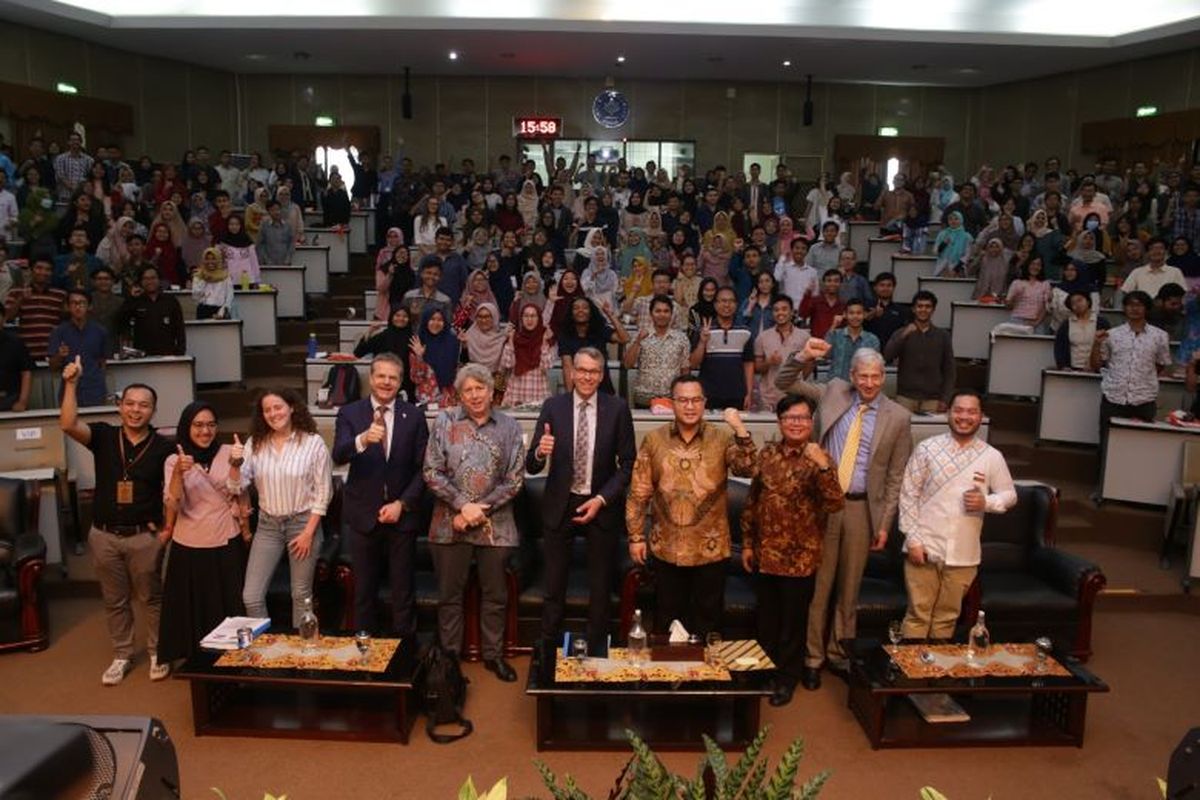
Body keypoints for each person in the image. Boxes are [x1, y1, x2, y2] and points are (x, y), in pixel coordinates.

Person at [775, 341, 912, 689]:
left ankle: (838, 654)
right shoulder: (834, 391)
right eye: (862, 375)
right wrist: (803, 356)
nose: (869, 383)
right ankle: (812, 658)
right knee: (818, 587)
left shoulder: (899, 417)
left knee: (849, 588)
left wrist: (884, 524)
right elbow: (784, 382)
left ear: (884, 378)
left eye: (876, 376)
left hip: (861, 509)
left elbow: (896, 476)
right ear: (851, 375)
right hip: (821, 506)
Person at [60, 361, 174, 685]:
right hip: (104, 535)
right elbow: (68, 424)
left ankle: (157, 651)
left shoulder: (164, 446)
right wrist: (71, 384)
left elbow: (175, 491)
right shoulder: (104, 436)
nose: (136, 410)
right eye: (130, 404)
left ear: (153, 411)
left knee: (151, 598)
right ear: (120, 406)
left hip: (144, 537)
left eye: (144, 405)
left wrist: (166, 530)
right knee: (114, 599)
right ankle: (122, 654)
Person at [625, 375, 757, 636]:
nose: (690, 406)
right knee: (667, 621)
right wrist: (636, 536)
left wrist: (740, 430)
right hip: (667, 549)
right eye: (683, 400)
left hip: (710, 550)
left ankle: (706, 678)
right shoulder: (654, 440)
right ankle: (672, 677)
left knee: (708, 622)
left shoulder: (721, 439)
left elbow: (749, 467)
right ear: (672, 403)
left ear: (704, 403)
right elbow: (639, 491)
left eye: (696, 400)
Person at [526, 346, 636, 652]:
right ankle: (549, 649)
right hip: (560, 504)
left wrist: (602, 499)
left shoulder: (617, 409)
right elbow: (531, 465)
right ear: (571, 372)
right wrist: (539, 452)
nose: (587, 376)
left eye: (594, 371)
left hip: (600, 503)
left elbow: (628, 464)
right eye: (582, 370)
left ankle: (597, 652)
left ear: (601, 376)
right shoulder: (553, 407)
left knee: (600, 587)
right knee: (554, 585)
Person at [740, 394, 844, 706]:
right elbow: (752, 502)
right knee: (767, 621)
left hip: (800, 559)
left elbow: (835, 503)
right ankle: (764, 673)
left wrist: (824, 466)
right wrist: (747, 543)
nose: (796, 423)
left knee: (793, 624)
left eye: (802, 418)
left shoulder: (820, 458)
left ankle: (787, 679)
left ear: (811, 423)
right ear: (780, 421)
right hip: (765, 554)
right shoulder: (768, 454)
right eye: (789, 418)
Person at [423, 364, 525, 681]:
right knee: (449, 597)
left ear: (491, 391)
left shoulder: (509, 426)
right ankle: (450, 659)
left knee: (495, 595)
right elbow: (431, 472)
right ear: (459, 394)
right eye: (468, 389)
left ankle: (493, 656)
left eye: (480, 388)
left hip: (496, 527)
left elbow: (515, 479)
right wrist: (462, 506)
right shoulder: (444, 421)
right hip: (448, 524)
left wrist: (478, 510)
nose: (475, 395)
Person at [898, 389, 1017, 640]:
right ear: (948, 413)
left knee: (947, 617)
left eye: (971, 411)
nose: (964, 417)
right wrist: (913, 540)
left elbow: (1009, 495)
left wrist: (987, 501)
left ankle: (936, 674)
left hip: (964, 554)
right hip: (924, 547)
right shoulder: (926, 449)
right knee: (918, 615)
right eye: (959, 410)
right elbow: (908, 495)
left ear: (981, 416)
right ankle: (909, 675)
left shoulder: (991, 456)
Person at [332, 353, 428, 637]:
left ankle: (404, 659)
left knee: (403, 592)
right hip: (363, 517)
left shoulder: (415, 416)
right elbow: (338, 455)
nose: (386, 382)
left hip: (402, 518)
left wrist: (402, 503)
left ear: (400, 382)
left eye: (393, 377)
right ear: (371, 378)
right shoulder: (350, 414)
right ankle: (367, 659)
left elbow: (425, 469)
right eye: (381, 376)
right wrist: (362, 440)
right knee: (363, 594)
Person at [158, 403, 247, 665]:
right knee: (194, 606)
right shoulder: (174, 459)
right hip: (189, 542)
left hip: (225, 538)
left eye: (210, 424)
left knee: (228, 604)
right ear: (187, 427)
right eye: (198, 425)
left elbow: (238, 489)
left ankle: (233, 658)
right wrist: (178, 473)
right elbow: (172, 503)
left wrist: (236, 464)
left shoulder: (231, 451)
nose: (205, 431)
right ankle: (197, 660)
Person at [238, 388, 333, 626]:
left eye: (278, 407)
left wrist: (308, 533)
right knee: (251, 596)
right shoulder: (255, 444)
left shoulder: (312, 443)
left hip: (303, 524)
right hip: (268, 525)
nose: (273, 413)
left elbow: (323, 492)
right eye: (267, 410)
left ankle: (299, 655)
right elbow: (236, 485)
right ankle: (263, 654)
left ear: (291, 408)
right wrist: (233, 463)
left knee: (301, 595)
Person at [1090, 291, 1171, 458]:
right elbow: (1097, 365)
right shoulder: (1112, 334)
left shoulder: (1160, 336)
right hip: (1114, 396)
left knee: (1140, 446)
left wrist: (1141, 376)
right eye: (1130, 304)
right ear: (1125, 308)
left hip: (1144, 398)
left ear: (1146, 308)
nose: (1135, 308)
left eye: (1139, 305)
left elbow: (1161, 364)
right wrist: (1096, 345)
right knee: (1107, 444)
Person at [883, 290, 955, 412]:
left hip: (933, 399)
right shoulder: (901, 332)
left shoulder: (943, 336)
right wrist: (904, 336)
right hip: (905, 397)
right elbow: (887, 356)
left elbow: (950, 370)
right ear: (913, 309)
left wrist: (945, 399)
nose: (923, 310)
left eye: (928, 306)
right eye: (920, 306)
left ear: (933, 310)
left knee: (930, 431)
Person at [690, 286, 755, 410]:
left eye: (731, 301)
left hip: (737, 394)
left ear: (736, 305)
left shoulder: (745, 331)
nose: (727, 305)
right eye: (723, 301)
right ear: (715, 304)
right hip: (708, 395)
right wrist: (703, 342)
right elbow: (693, 363)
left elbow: (748, 364)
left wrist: (749, 393)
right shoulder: (704, 330)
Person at [624, 295, 692, 408]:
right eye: (658, 311)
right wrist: (638, 341)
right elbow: (627, 364)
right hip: (644, 397)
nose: (662, 315)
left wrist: (684, 395)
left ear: (671, 314)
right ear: (651, 314)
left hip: (671, 398)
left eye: (666, 311)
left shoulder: (681, 338)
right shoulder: (640, 335)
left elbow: (685, 369)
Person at [48, 289, 108, 406]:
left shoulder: (100, 331)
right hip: (69, 389)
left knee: (97, 423)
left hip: (95, 389)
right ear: (68, 307)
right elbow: (52, 366)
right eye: (74, 303)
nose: (78, 307)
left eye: (82, 303)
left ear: (89, 306)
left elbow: (103, 363)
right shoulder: (59, 332)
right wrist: (60, 356)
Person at [752, 294, 809, 412]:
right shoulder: (763, 337)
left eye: (784, 309)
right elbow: (757, 368)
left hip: (794, 396)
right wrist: (769, 362)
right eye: (776, 310)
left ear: (792, 312)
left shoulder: (804, 337)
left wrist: (799, 380)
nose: (780, 313)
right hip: (768, 398)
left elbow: (809, 365)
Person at [116, 267, 186, 355]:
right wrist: (131, 299)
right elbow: (121, 321)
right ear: (141, 282)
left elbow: (180, 329)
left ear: (159, 280)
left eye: (153, 278)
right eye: (146, 279)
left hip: (168, 353)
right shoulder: (136, 301)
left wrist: (180, 352)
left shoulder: (171, 301)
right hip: (142, 355)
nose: (150, 281)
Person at [5, 257, 66, 360]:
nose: (43, 272)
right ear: (31, 270)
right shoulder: (15, 292)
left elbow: (65, 321)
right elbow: (8, 317)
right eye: (39, 268)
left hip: (54, 352)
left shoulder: (61, 294)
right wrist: (21, 299)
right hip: (26, 351)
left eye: (48, 269)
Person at [500, 302, 557, 407]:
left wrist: (544, 342)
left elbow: (546, 366)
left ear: (539, 318)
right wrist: (511, 341)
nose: (529, 319)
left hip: (539, 392)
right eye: (526, 316)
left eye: (533, 316)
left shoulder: (546, 338)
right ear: (521, 319)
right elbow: (507, 364)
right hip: (516, 392)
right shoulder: (515, 337)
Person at [409, 306, 460, 407]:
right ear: (425, 321)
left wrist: (465, 347)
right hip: (427, 399)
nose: (436, 323)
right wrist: (419, 357)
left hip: (449, 397)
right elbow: (416, 378)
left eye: (440, 320)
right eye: (432, 319)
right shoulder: (418, 342)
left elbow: (458, 369)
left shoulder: (453, 342)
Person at [824, 299, 882, 381]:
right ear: (845, 315)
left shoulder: (872, 340)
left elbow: (875, 367)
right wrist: (833, 326)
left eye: (859, 313)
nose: (855, 316)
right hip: (836, 386)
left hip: (861, 386)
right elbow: (825, 354)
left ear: (865, 315)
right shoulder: (836, 334)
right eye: (851, 313)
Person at [1054, 291, 1109, 370]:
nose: (1077, 304)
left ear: (1088, 301)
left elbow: (1107, 347)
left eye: (1080, 300)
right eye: (1073, 303)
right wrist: (1064, 366)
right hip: (1073, 369)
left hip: (1097, 369)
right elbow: (1059, 348)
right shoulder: (1066, 325)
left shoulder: (1102, 323)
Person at [0, 304, 34, 412]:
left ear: (4, 318)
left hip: (11, 400)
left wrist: (22, 401)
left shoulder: (16, 342)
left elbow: (26, 372)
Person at [864, 272, 908, 348]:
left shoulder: (902, 311)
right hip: (869, 353)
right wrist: (870, 315)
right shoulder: (865, 306)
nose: (885, 288)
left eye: (889, 285)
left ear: (894, 288)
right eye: (882, 285)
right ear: (875, 287)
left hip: (892, 353)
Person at [192, 247, 235, 320]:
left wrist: (222, 312)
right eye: (207, 259)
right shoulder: (198, 276)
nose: (210, 262)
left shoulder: (225, 277)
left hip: (220, 311)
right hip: (203, 311)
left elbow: (229, 297)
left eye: (213, 259)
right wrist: (204, 280)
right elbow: (195, 297)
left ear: (218, 260)